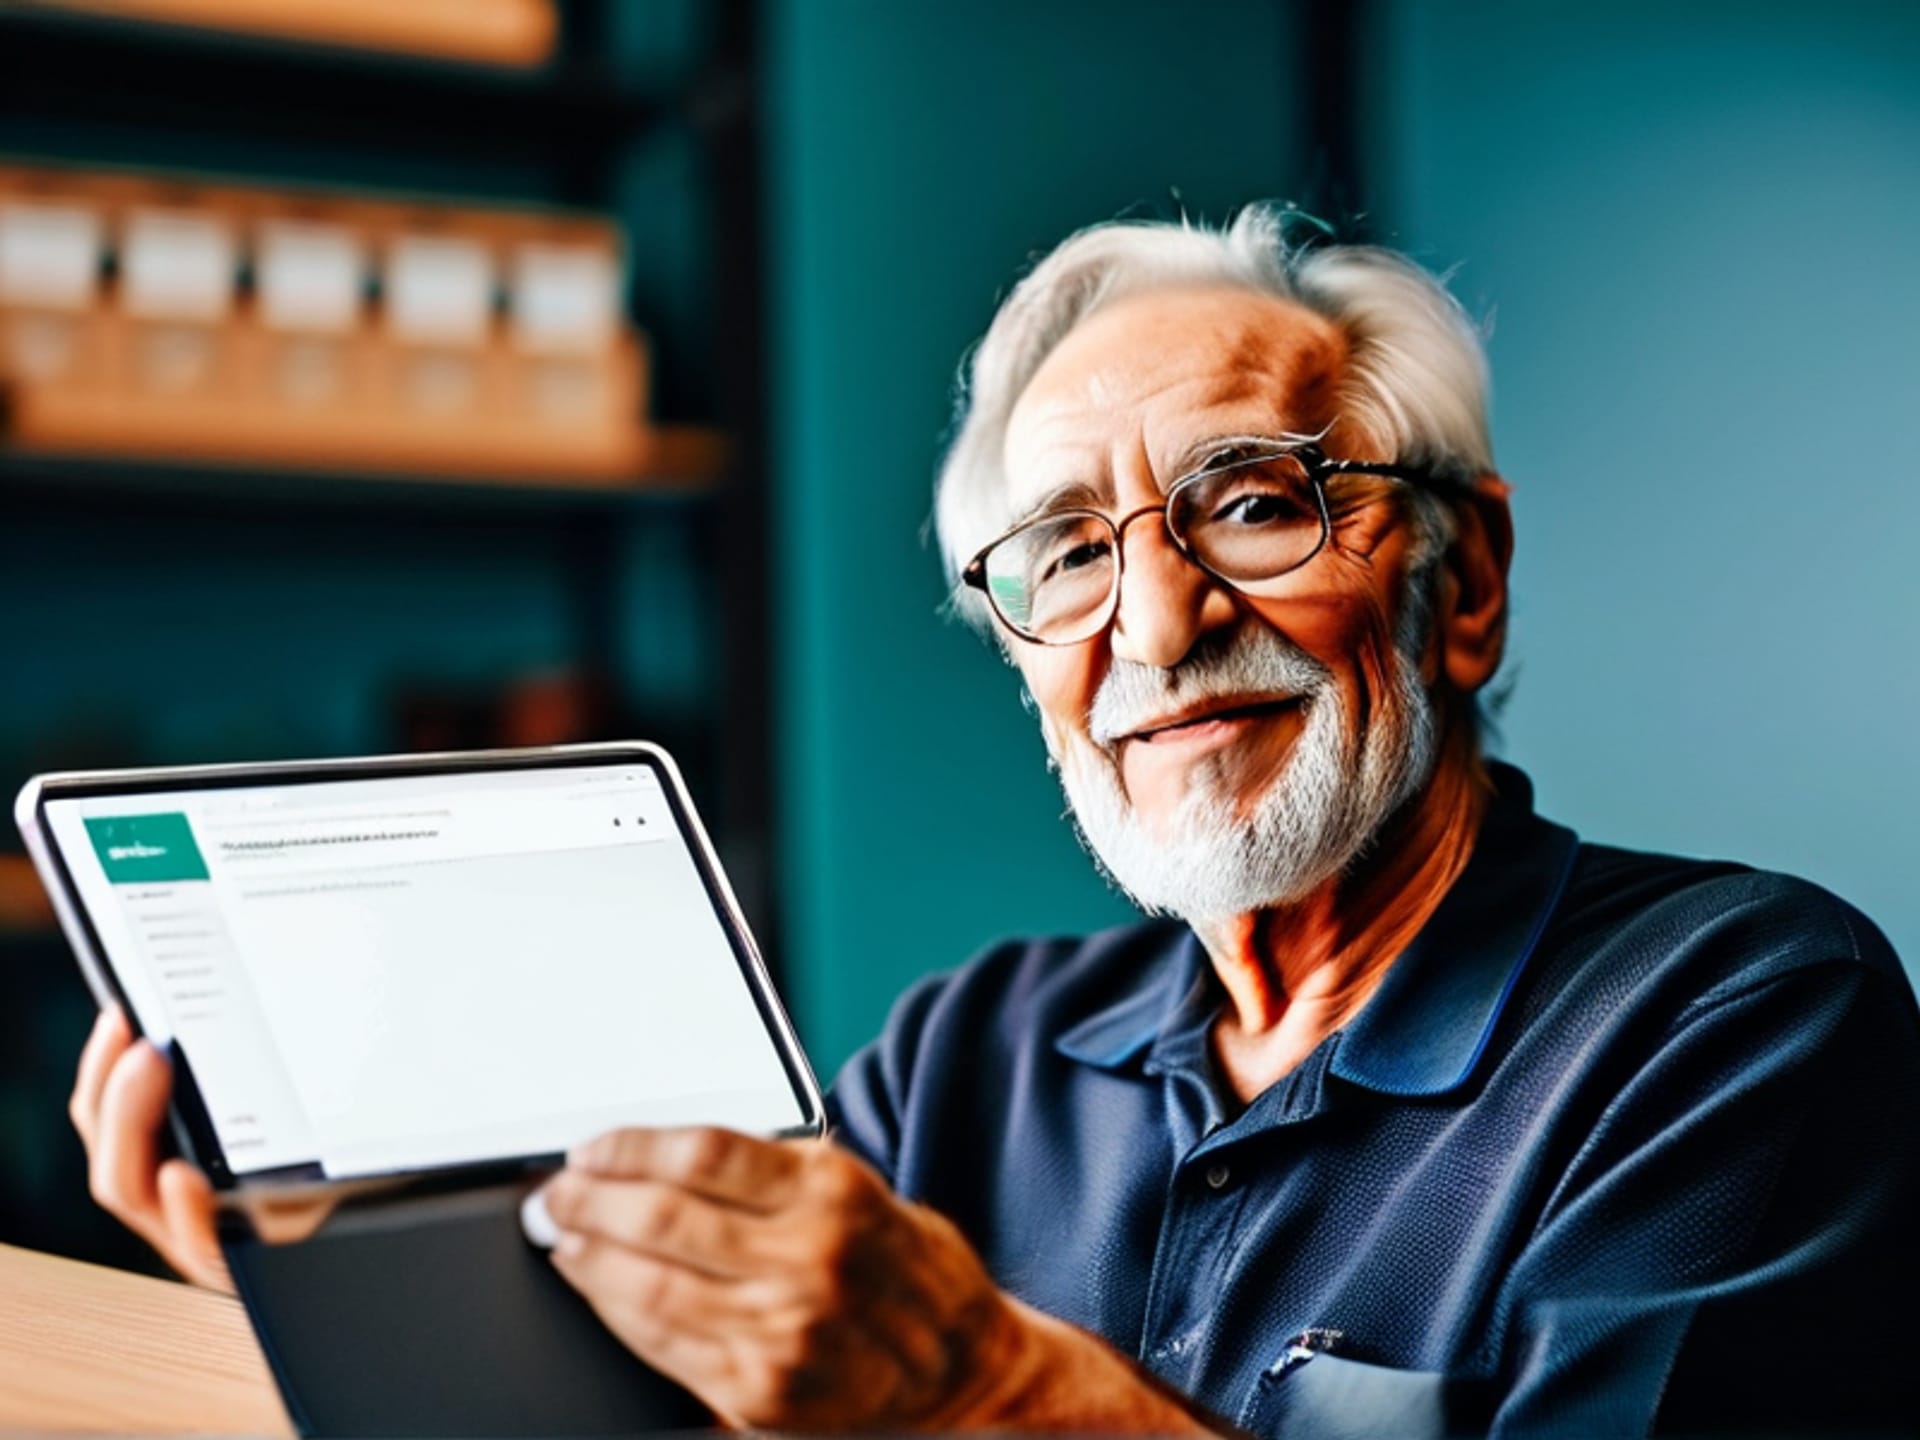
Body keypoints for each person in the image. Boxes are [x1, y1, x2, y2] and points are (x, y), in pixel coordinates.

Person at [69, 207, 1920, 1436]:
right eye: (1063, 556)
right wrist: (346, 1277)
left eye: (1255, 505)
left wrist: (976, 1391)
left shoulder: (1738, 1017)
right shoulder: (979, 1044)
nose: (1157, 624)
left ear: (1466, 579)